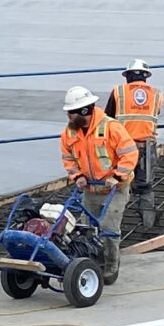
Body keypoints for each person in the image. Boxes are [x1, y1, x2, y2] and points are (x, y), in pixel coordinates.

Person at [59, 83, 139, 247]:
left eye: (71, 113)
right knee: (85, 229)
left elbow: (130, 153)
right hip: (90, 189)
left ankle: (110, 269)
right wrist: (78, 176)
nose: (68, 117)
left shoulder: (111, 127)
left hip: (115, 189)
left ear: (84, 111)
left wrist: (117, 176)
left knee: (108, 229)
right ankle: (92, 264)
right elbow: (68, 158)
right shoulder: (69, 133)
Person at [104, 60, 164, 230]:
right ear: (146, 76)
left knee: (118, 182)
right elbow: (155, 114)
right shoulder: (157, 94)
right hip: (146, 146)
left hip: (122, 147)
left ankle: (113, 225)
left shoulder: (118, 92)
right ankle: (148, 223)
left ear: (128, 75)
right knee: (145, 186)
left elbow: (107, 118)